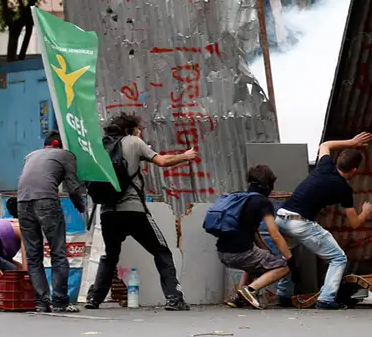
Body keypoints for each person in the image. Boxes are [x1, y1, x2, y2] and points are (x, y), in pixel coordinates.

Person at [85, 112, 197, 311]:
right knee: (161, 250)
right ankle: (174, 298)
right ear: (130, 128)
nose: (141, 132)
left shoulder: (100, 147)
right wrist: (185, 156)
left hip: (108, 212)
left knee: (110, 256)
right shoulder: (133, 142)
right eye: (139, 128)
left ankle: (94, 298)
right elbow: (162, 161)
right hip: (134, 211)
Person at [275, 132, 372, 310]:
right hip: (300, 223)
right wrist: (365, 212)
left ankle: (283, 295)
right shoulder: (344, 189)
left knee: (288, 256)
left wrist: (352, 142)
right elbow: (354, 223)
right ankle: (326, 299)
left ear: (337, 162)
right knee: (338, 258)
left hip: (281, 217)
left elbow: (325, 145)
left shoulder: (324, 165)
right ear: (354, 170)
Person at [17, 131, 85, 313]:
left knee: (33, 256)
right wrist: (80, 206)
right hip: (46, 201)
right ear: (61, 145)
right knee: (58, 253)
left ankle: (41, 302)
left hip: (22, 202)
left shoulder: (30, 155)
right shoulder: (66, 155)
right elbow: (73, 187)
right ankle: (60, 301)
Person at [214, 165, 296, 310]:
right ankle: (250, 290)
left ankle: (238, 298)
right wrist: (290, 258)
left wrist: (265, 250)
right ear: (268, 184)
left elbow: (254, 232)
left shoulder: (239, 198)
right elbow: (275, 234)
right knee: (284, 267)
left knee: (253, 262)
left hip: (223, 253)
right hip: (241, 253)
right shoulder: (262, 202)